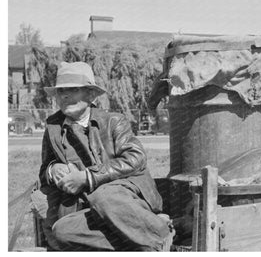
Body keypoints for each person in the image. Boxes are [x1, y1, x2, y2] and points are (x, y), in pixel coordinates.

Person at [31, 61, 173, 251]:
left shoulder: (114, 121)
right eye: (60, 90)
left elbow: (136, 158)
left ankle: (159, 240)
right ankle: (146, 234)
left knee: (104, 196)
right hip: (87, 208)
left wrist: (87, 177)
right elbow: (44, 171)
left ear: (90, 94)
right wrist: (53, 169)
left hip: (125, 199)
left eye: (73, 89)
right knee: (62, 231)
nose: (64, 95)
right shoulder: (53, 127)